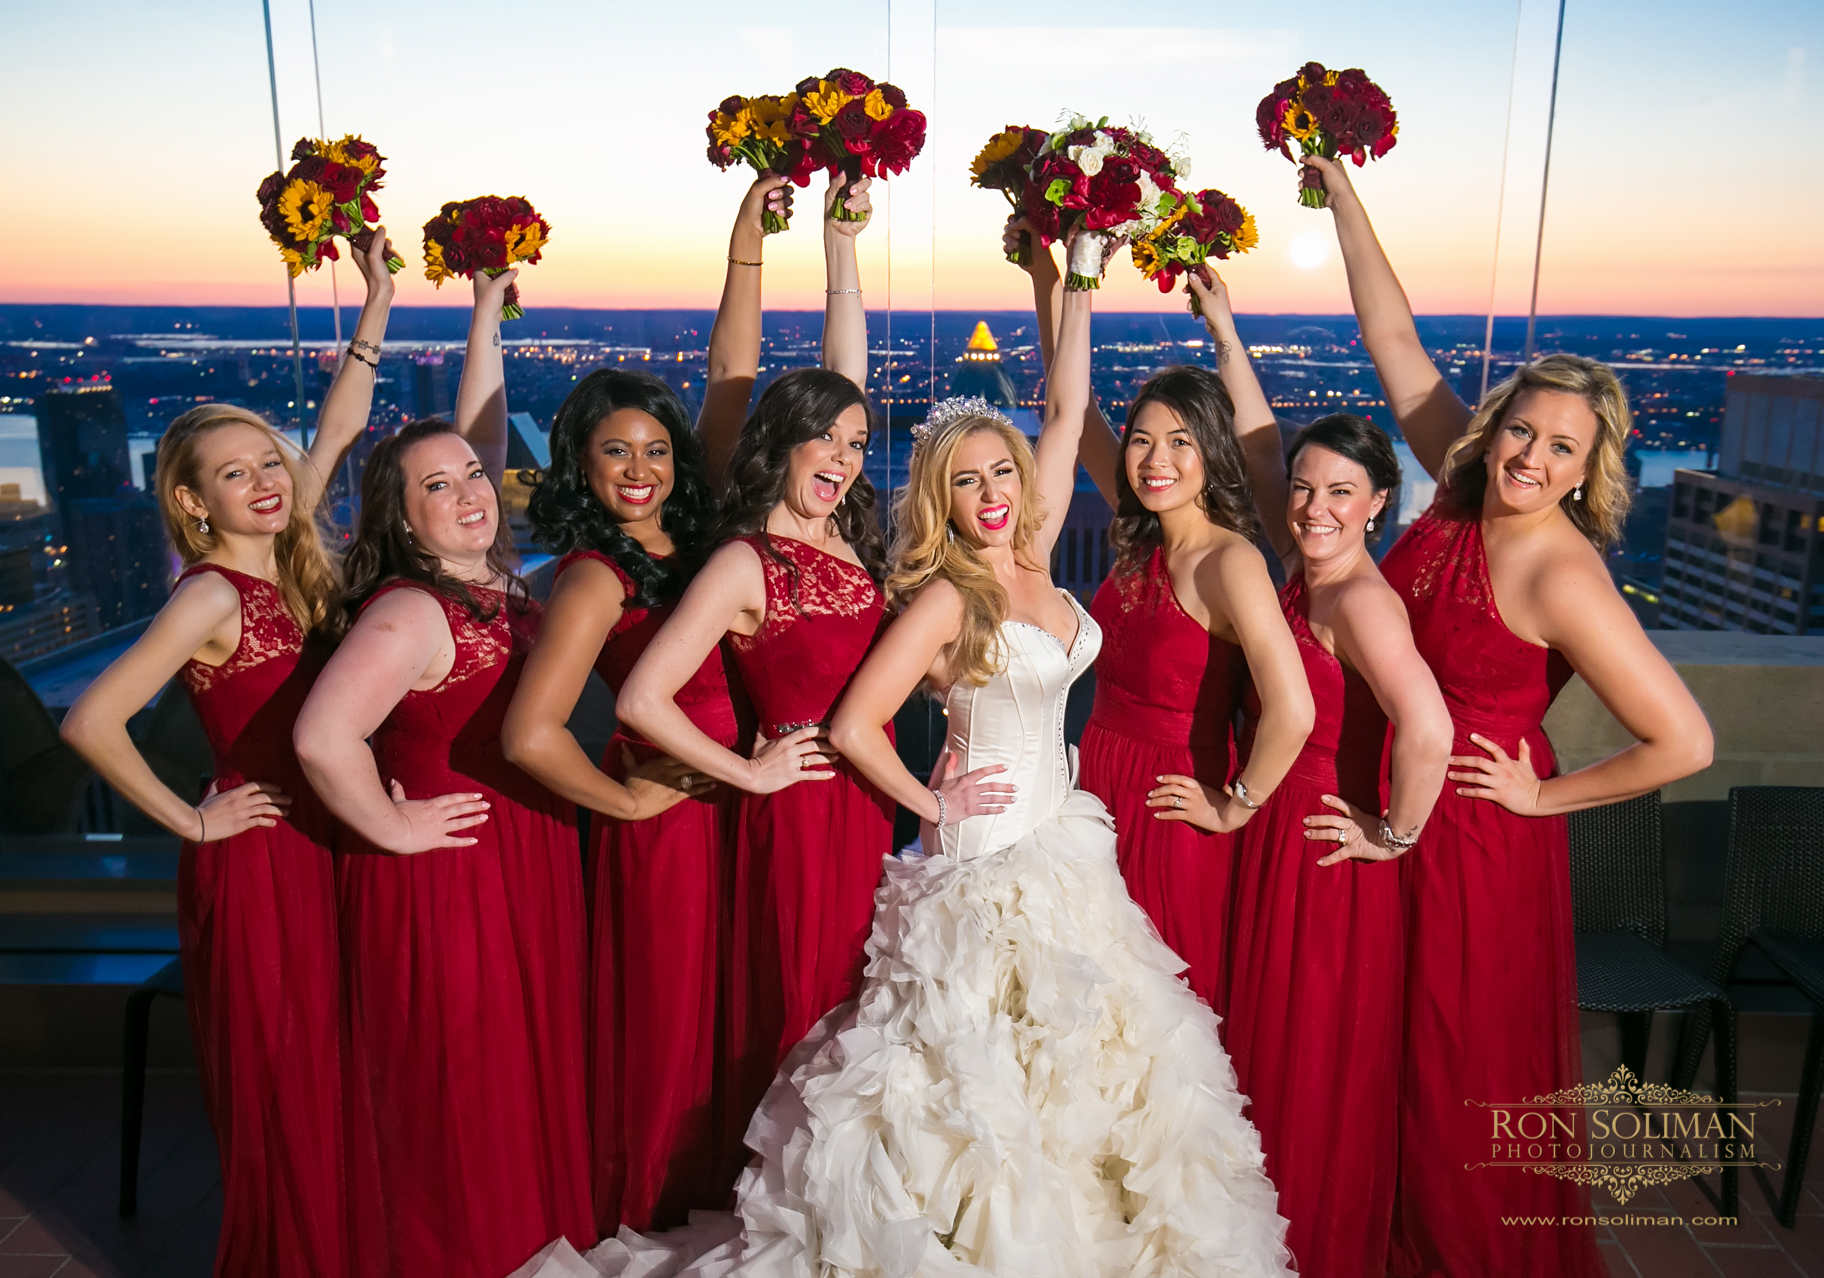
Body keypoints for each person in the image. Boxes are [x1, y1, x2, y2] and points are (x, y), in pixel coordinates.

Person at [594, 231, 1293, 1276]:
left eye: (1001, 471)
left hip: (1068, 842)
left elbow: (1066, 410)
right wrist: (934, 796)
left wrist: (1079, 270)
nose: (994, 492)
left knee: (1090, 1074)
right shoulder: (944, 595)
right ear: (943, 500)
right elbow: (848, 726)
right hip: (979, 859)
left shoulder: (1044, 556)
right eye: (967, 483)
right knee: (976, 1092)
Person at [1304, 152, 1714, 1277]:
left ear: (1590, 469)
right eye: (1524, 432)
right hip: (1391, 793)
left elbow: (1685, 740)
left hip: (1476, 837)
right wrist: (1341, 193)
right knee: (1375, 1053)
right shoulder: (1461, 480)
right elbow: (1395, 345)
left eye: (1562, 448)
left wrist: (1541, 793)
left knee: (1452, 1066)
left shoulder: (1564, 574)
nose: (1532, 458)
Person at [59, 230, 398, 1278]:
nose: (262, 480)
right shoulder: (211, 592)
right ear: (192, 502)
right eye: (231, 473)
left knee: (339, 1072)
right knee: (287, 1084)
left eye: (267, 462)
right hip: (259, 860)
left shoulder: (292, 567)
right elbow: (88, 720)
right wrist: (199, 820)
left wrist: (380, 299)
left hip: (324, 840)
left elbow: (337, 430)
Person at [500, 176, 793, 1234]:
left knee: (736, 1032)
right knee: (668, 1036)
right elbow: (528, 733)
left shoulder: (702, 530)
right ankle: (651, 1223)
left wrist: (746, 244)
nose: (640, 468)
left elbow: (731, 375)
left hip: (740, 806)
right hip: (667, 827)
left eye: (656, 449)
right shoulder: (590, 573)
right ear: (580, 460)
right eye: (615, 450)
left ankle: (729, 1215)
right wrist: (622, 808)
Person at [293, 273, 595, 1278]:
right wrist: (395, 828)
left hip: (519, 855)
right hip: (448, 873)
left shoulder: (493, 578)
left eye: (472, 476)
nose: (469, 491)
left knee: (516, 1076)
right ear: (400, 516)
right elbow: (322, 737)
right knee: (460, 1090)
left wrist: (486, 312)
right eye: (438, 487)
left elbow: (490, 436)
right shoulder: (409, 609)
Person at [615, 175, 895, 1170]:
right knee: (811, 1018)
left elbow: (843, 382)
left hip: (874, 804)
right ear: (780, 443)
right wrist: (750, 772)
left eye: (859, 443)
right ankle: (793, 1218)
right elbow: (643, 697)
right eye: (824, 439)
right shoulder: (742, 562)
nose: (846, 456)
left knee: (869, 1017)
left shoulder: (849, 532)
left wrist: (842, 249)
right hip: (805, 810)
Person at [1182, 268, 1452, 1277]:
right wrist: (1221, 325)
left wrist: (1395, 835)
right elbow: (1256, 446)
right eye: (1303, 487)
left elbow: (1428, 729)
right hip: (1277, 839)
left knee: (1305, 1069)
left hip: (1322, 858)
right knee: (1266, 1056)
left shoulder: (1359, 602)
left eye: (1340, 492)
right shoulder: (1306, 568)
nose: (1311, 504)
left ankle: (1308, 1251)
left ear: (1380, 501)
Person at [1003, 213, 1314, 1012]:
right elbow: (1071, 410)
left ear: (1211, 450)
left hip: (1173, 806)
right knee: (1088, 1012)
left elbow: (1294, 709)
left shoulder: (1230, 560)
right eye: (1143, 441)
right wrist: (1053, 274)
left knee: (1157, 1018)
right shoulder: (1140, 532)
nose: (1154, 460)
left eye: (1180, 441)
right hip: (1093, 782)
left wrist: (1235, 804)